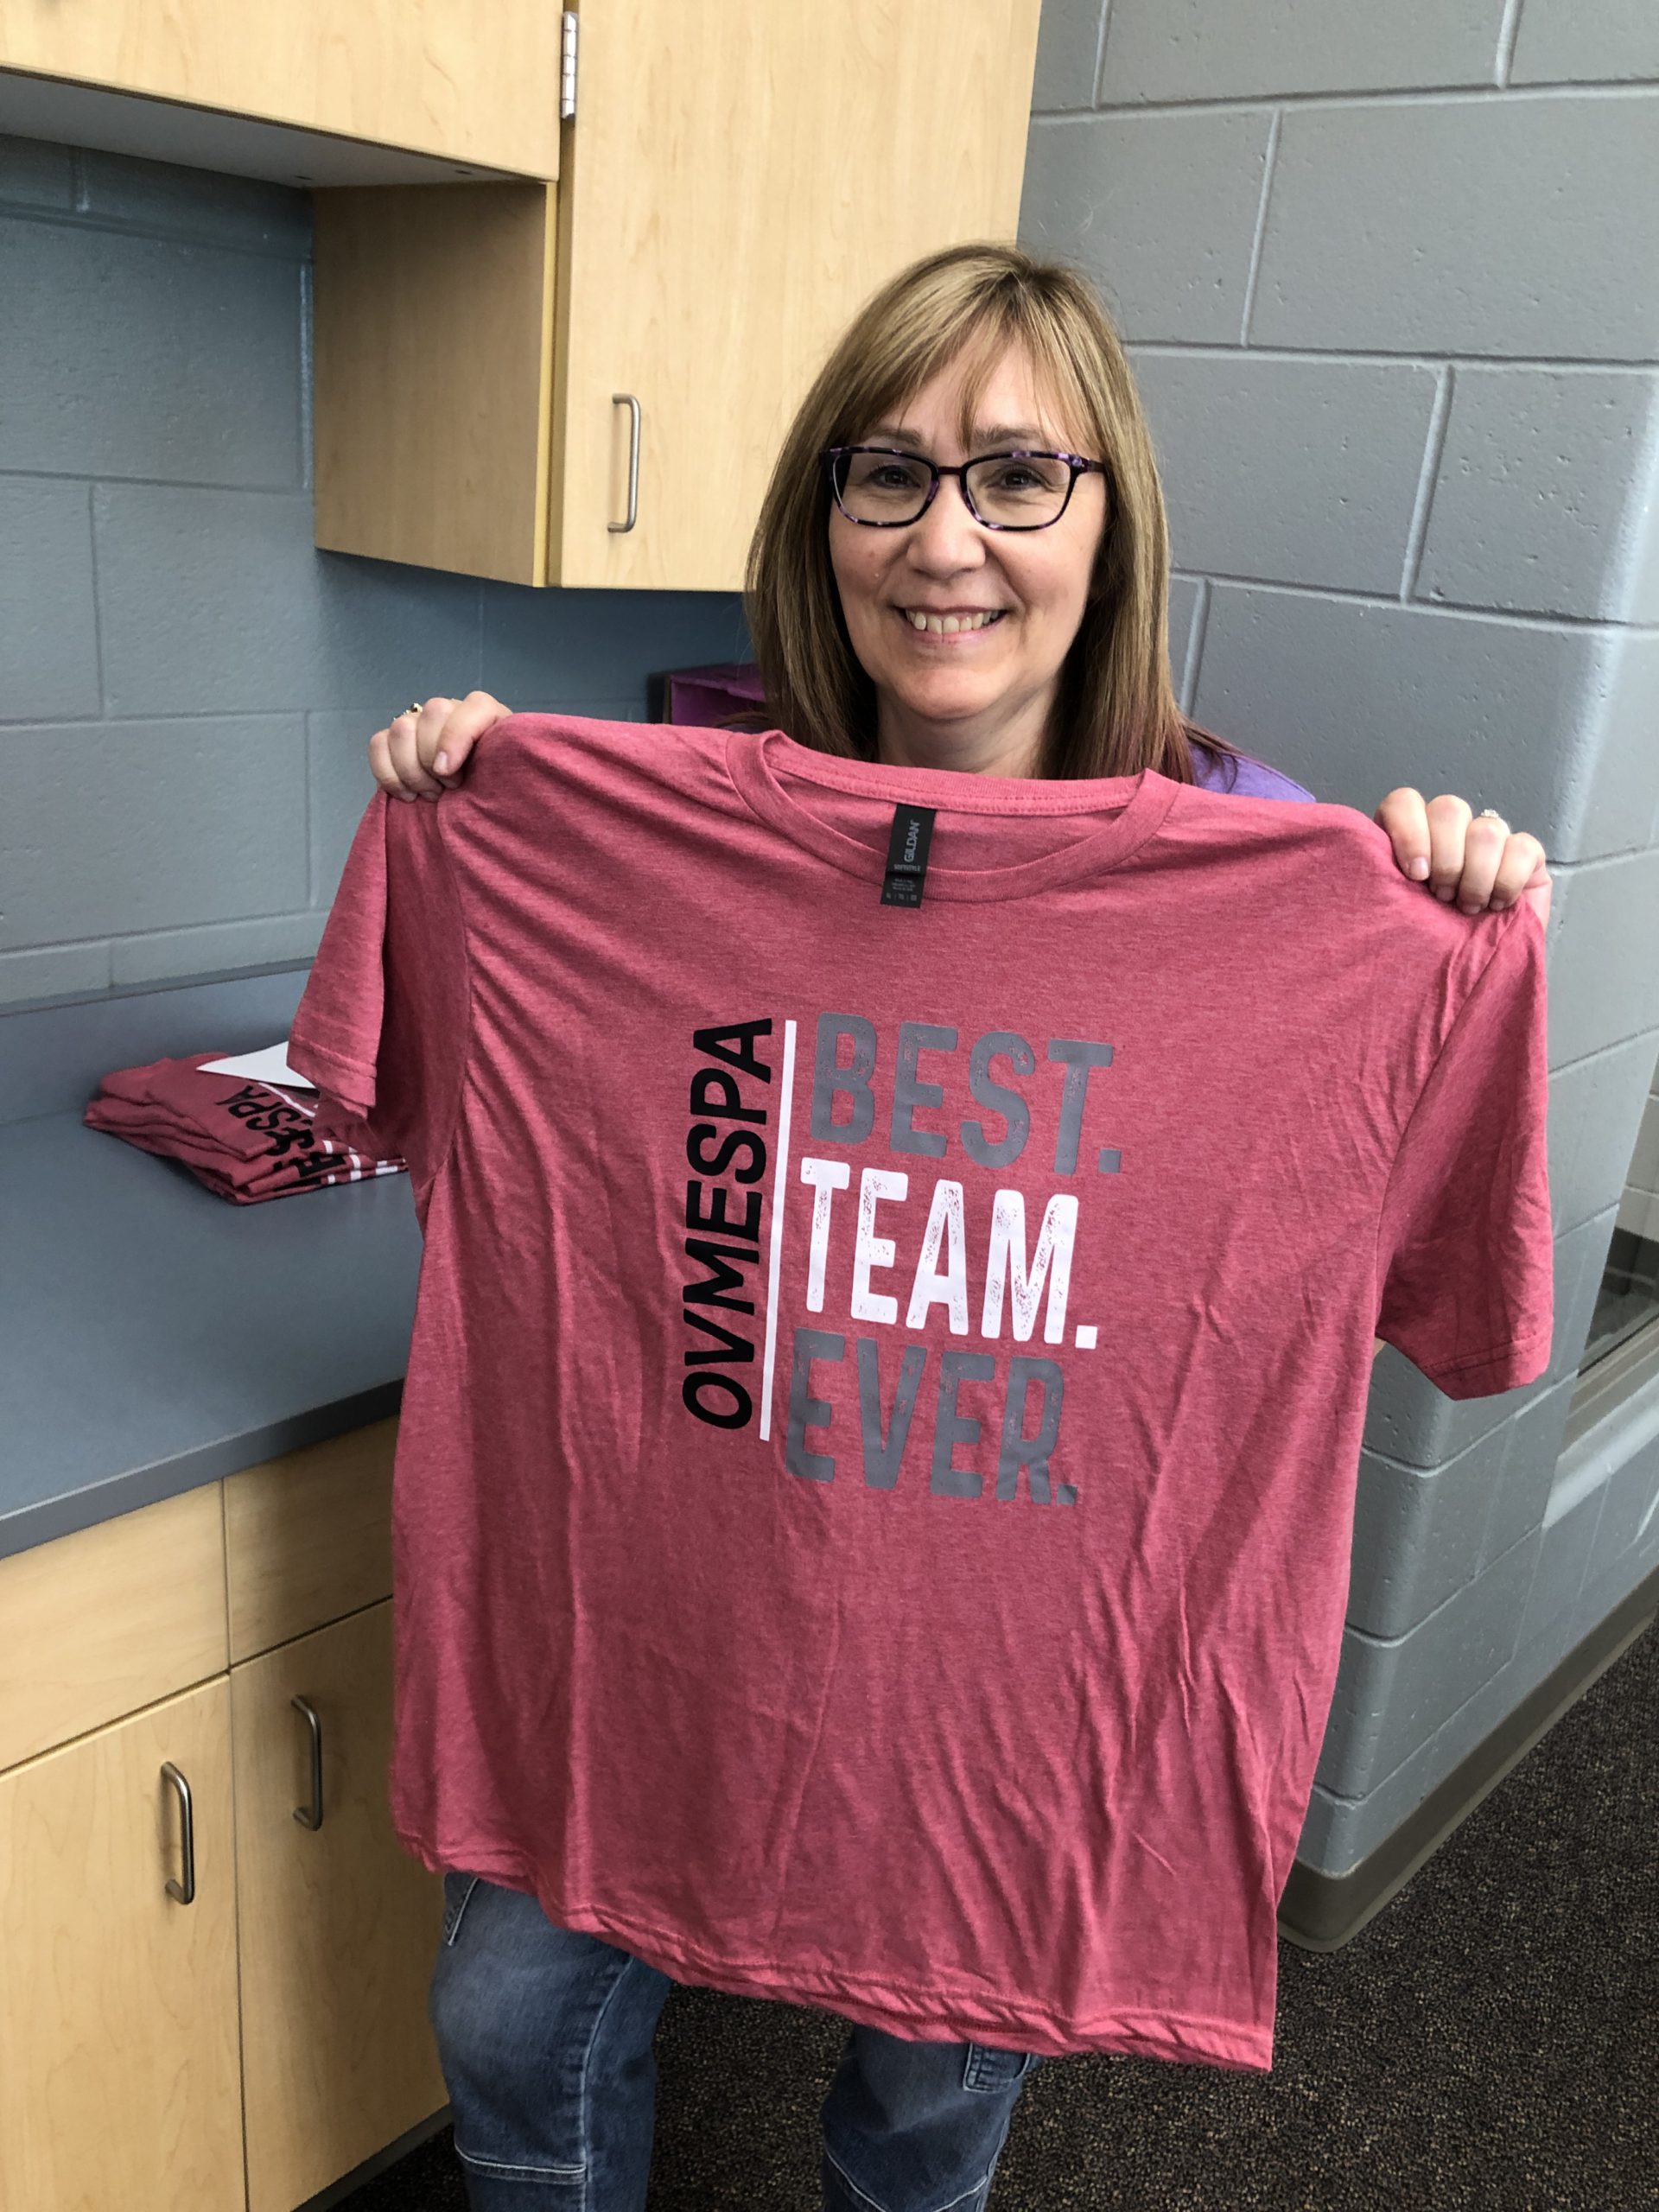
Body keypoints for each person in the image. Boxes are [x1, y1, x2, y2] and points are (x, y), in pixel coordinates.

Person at [359, 244, 1551, 2212]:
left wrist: (1448, 926)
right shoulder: (642, 820)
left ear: (1111, 516)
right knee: (508, 2012)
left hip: (1012, 1681)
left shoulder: (1285, 885)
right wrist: (465, 811)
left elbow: (1462, 1307)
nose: (947, 538)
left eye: (1017, 474)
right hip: (649, 1604)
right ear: (823, 517)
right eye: (886, 472)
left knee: (928, 2101)